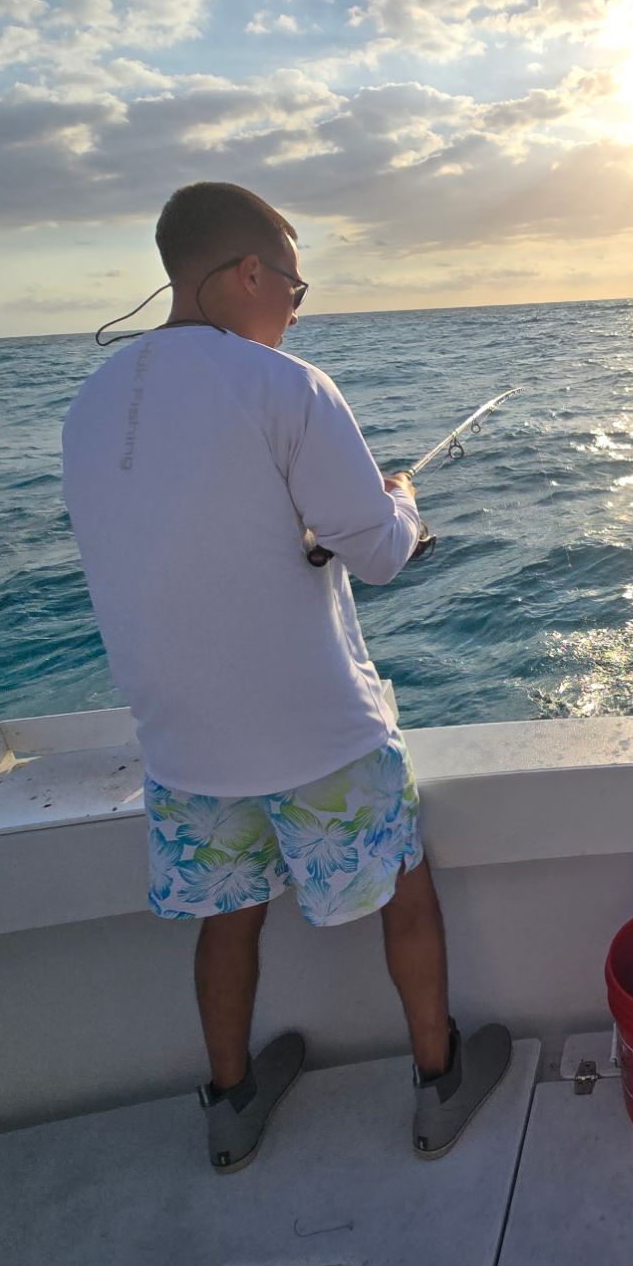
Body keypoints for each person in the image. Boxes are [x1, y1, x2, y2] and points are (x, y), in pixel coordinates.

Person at [62, 181, 510, 1172]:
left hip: (183, 747)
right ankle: (437, 1086)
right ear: (249, 272)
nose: (298, 310)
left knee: (230, 914)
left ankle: (230, 1103)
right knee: (405, 889)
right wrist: (402, 501)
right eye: (295, 288)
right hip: (319, 735)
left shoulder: (91, 405)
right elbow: (382, 553)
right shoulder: (285, 385)